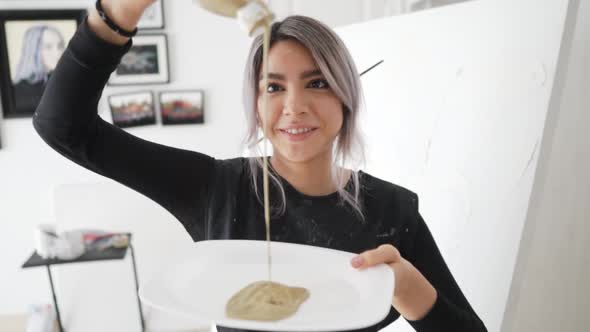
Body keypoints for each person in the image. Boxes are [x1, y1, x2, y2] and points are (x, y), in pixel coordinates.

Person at [32, 0, 487, 331]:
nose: (294, 107)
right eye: (273, 88)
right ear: (254, 101)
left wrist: (410, 291)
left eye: (318, 83)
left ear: (346, 98)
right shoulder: (215, 189)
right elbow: (61, 124)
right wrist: (121, 9)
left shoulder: (392, 212)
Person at [12, 25, 65, 114]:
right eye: (48, 47)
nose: (58, 52)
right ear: (33, 51)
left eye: (60, 45)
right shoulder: (19, 90)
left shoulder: (63, 81)